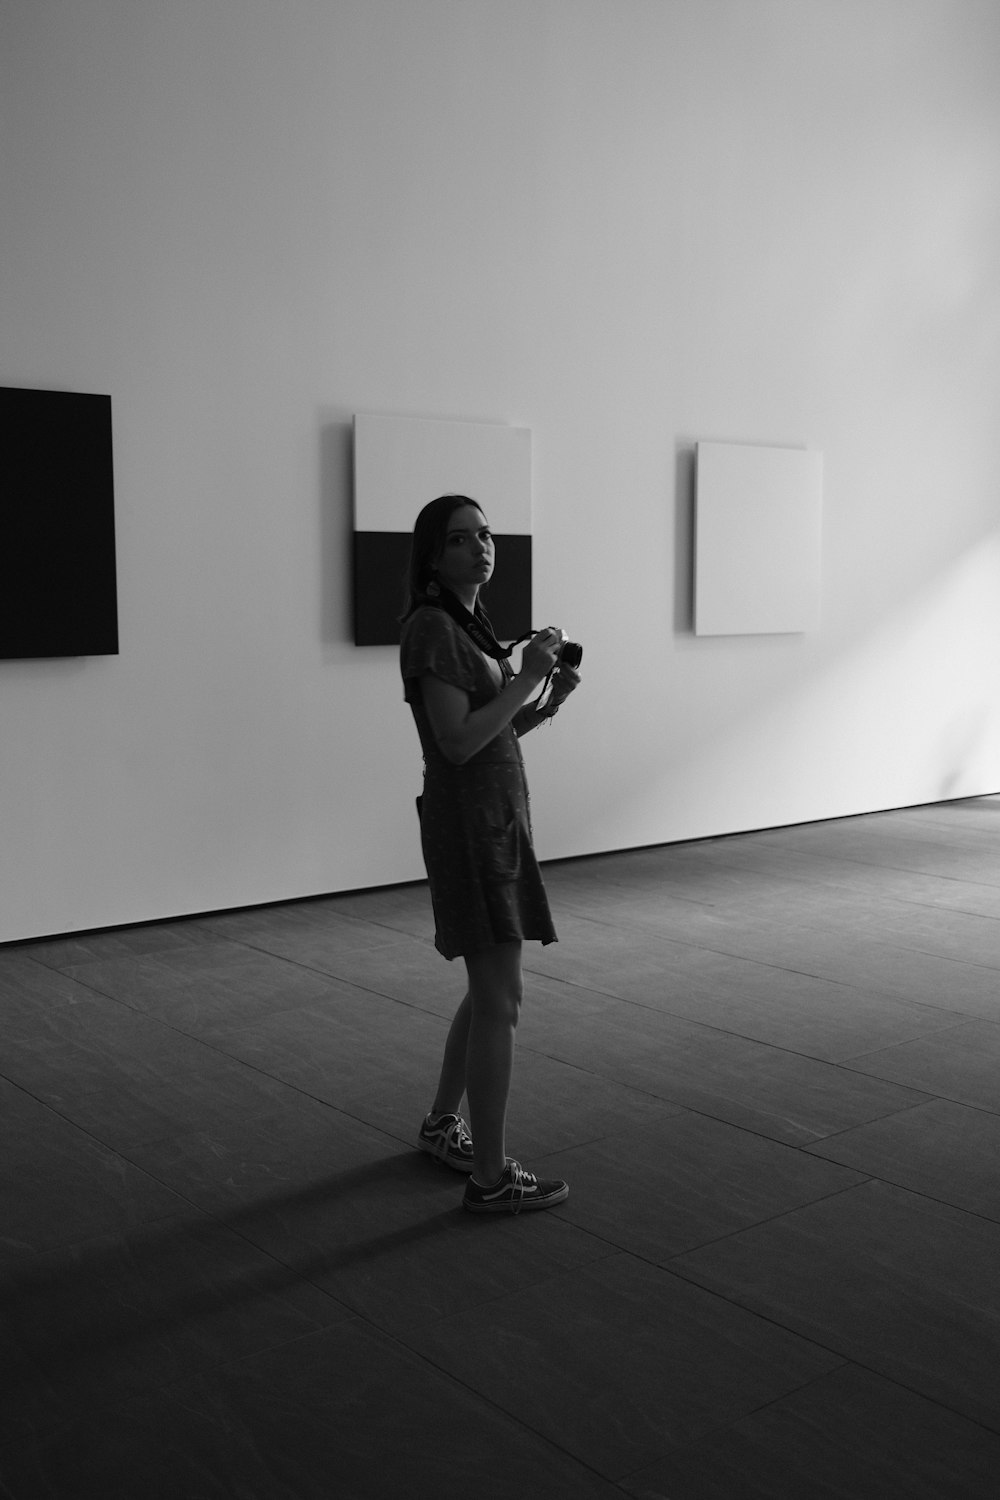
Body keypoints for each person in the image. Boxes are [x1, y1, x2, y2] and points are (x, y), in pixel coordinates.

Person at [399, 494, 580, 1214]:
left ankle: (447, 1124)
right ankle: (492, 1176)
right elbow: (455, 743)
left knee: (487, 991)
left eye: (486, 535)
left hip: (495, 820)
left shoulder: (469, 629)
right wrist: (529, 677)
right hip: (471, 830)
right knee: (502, 1000)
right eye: (462, 539)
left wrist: (544, 699)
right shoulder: (432, 630)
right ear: (434, 556)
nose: (481, 547)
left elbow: (490, 734)